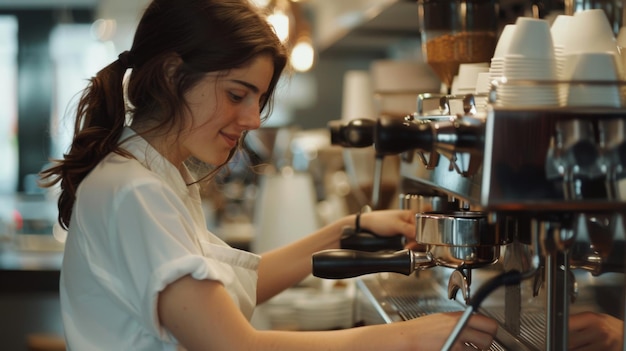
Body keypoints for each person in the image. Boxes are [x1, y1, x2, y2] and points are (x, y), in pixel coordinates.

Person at [39, 0, 498, 350]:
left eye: (257, 99)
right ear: (173, 75)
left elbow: (241, 287)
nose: (254, 119)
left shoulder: (151, 176)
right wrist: (406, 338)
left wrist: (349, 230)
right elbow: (236, 344)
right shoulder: (133, 191)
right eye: (238, 94)